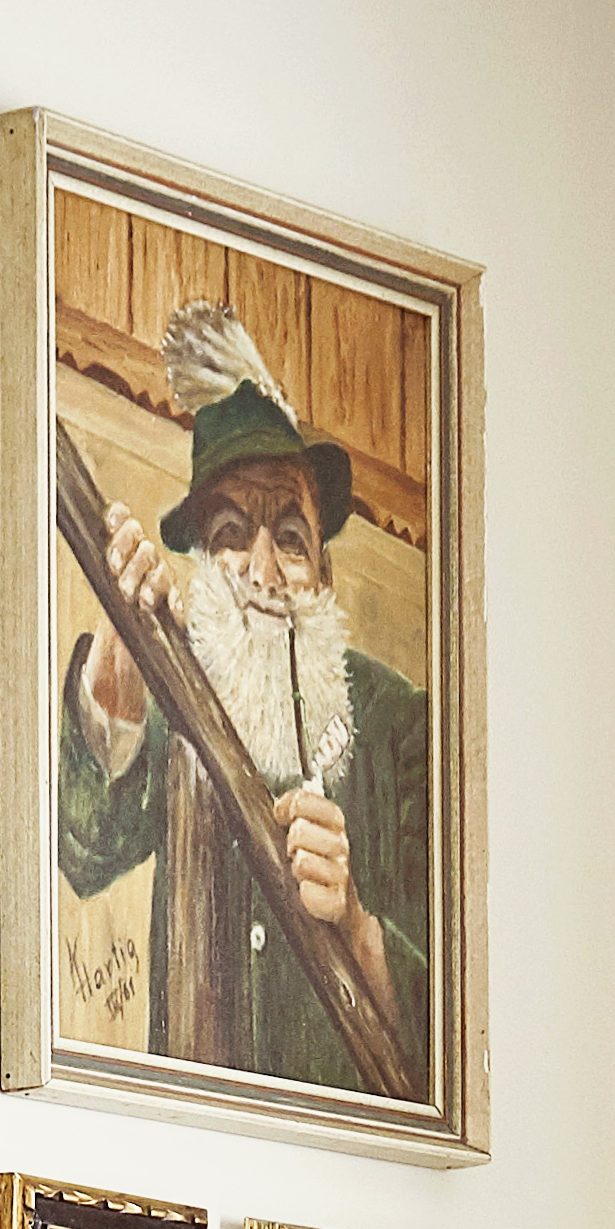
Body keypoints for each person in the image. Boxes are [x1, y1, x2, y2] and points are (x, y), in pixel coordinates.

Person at [55, 326, 433, 1101]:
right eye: (231, 535)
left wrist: (358, 929)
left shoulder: (402, 725)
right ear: (200, 556)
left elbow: (460, 1040)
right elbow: (81, 855)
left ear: (322, 574)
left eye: (290, 540)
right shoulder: (175, 701)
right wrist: (120, 681)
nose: (262, 571)